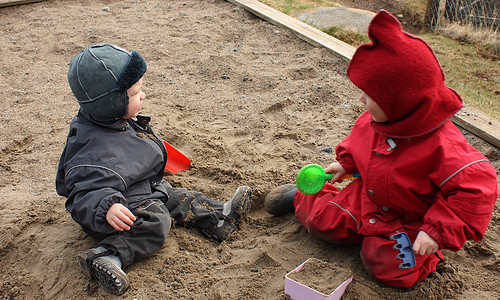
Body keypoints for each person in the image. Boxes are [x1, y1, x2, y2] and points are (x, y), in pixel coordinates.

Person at [265, 10, 498, 288]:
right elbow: (360, 143)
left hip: (410, 222)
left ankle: (427, 257)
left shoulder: (445, 148)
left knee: (391, 270)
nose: (362, 98)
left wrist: (435, 231)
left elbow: (476, 191)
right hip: (369, 200)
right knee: (322, 221)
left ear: (400, 102)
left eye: (370, 95)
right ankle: (300, 198)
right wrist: (347, 163)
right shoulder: (378, 120)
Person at [56, 43, 252, 295]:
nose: (143, 96)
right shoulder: (90, 151)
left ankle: (221, 217)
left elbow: (129, 153)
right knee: (156, 222)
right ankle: (106, 256)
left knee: (181, 197)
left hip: (142, 189)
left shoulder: (111, 120)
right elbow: (83, 191)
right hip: (117, 212)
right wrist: (107, 206)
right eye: (136, 93)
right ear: (112, 102)